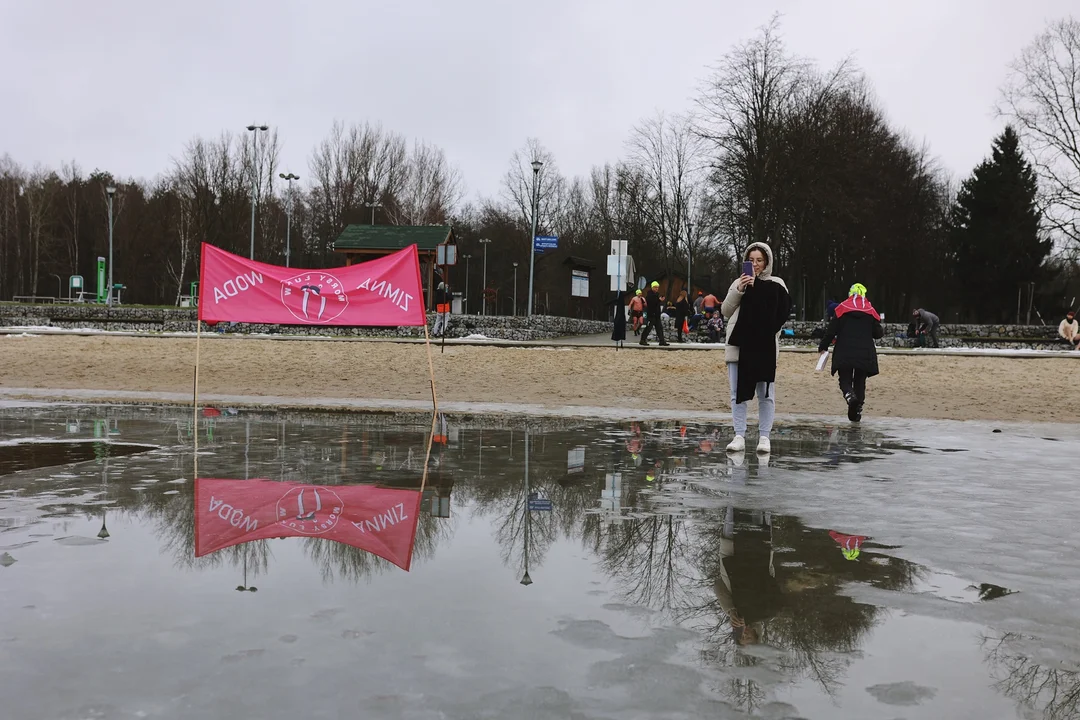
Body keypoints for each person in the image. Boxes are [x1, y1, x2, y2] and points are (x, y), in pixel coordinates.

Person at [722, 242, 791, 454]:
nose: (755, 264)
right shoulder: (738, 283)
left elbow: (781, 311)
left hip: (764, 347)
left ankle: (764, 437)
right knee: (737, 393)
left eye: (759, 260)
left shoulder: (776, 283)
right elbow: (725, 310)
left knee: (766, 394)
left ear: (767, 261)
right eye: (751, 260)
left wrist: (759, 289)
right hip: (739, 347)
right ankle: (739, 435)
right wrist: (740, 289)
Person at [818, 283, 884, 423]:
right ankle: (857, 409)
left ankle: (849, 396)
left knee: (845, 379)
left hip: (844, 351)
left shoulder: (841, 309)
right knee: (860, 380)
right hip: (864, 353)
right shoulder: (870, 311)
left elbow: (831, 331)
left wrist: (823, 346)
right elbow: (878, 334)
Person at [640, 281, 669, 346]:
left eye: (657, 287)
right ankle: (642, 340)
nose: (656, 288)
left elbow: (656, 303)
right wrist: (659, 300)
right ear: (652, 287)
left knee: (659, 328)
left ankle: (662, 341)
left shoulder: (656, 295)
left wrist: (659, 300)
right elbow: (651, 303)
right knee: (648, 328)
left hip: (656, 314)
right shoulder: (649, 295)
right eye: (655, 287)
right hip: (651, 314)